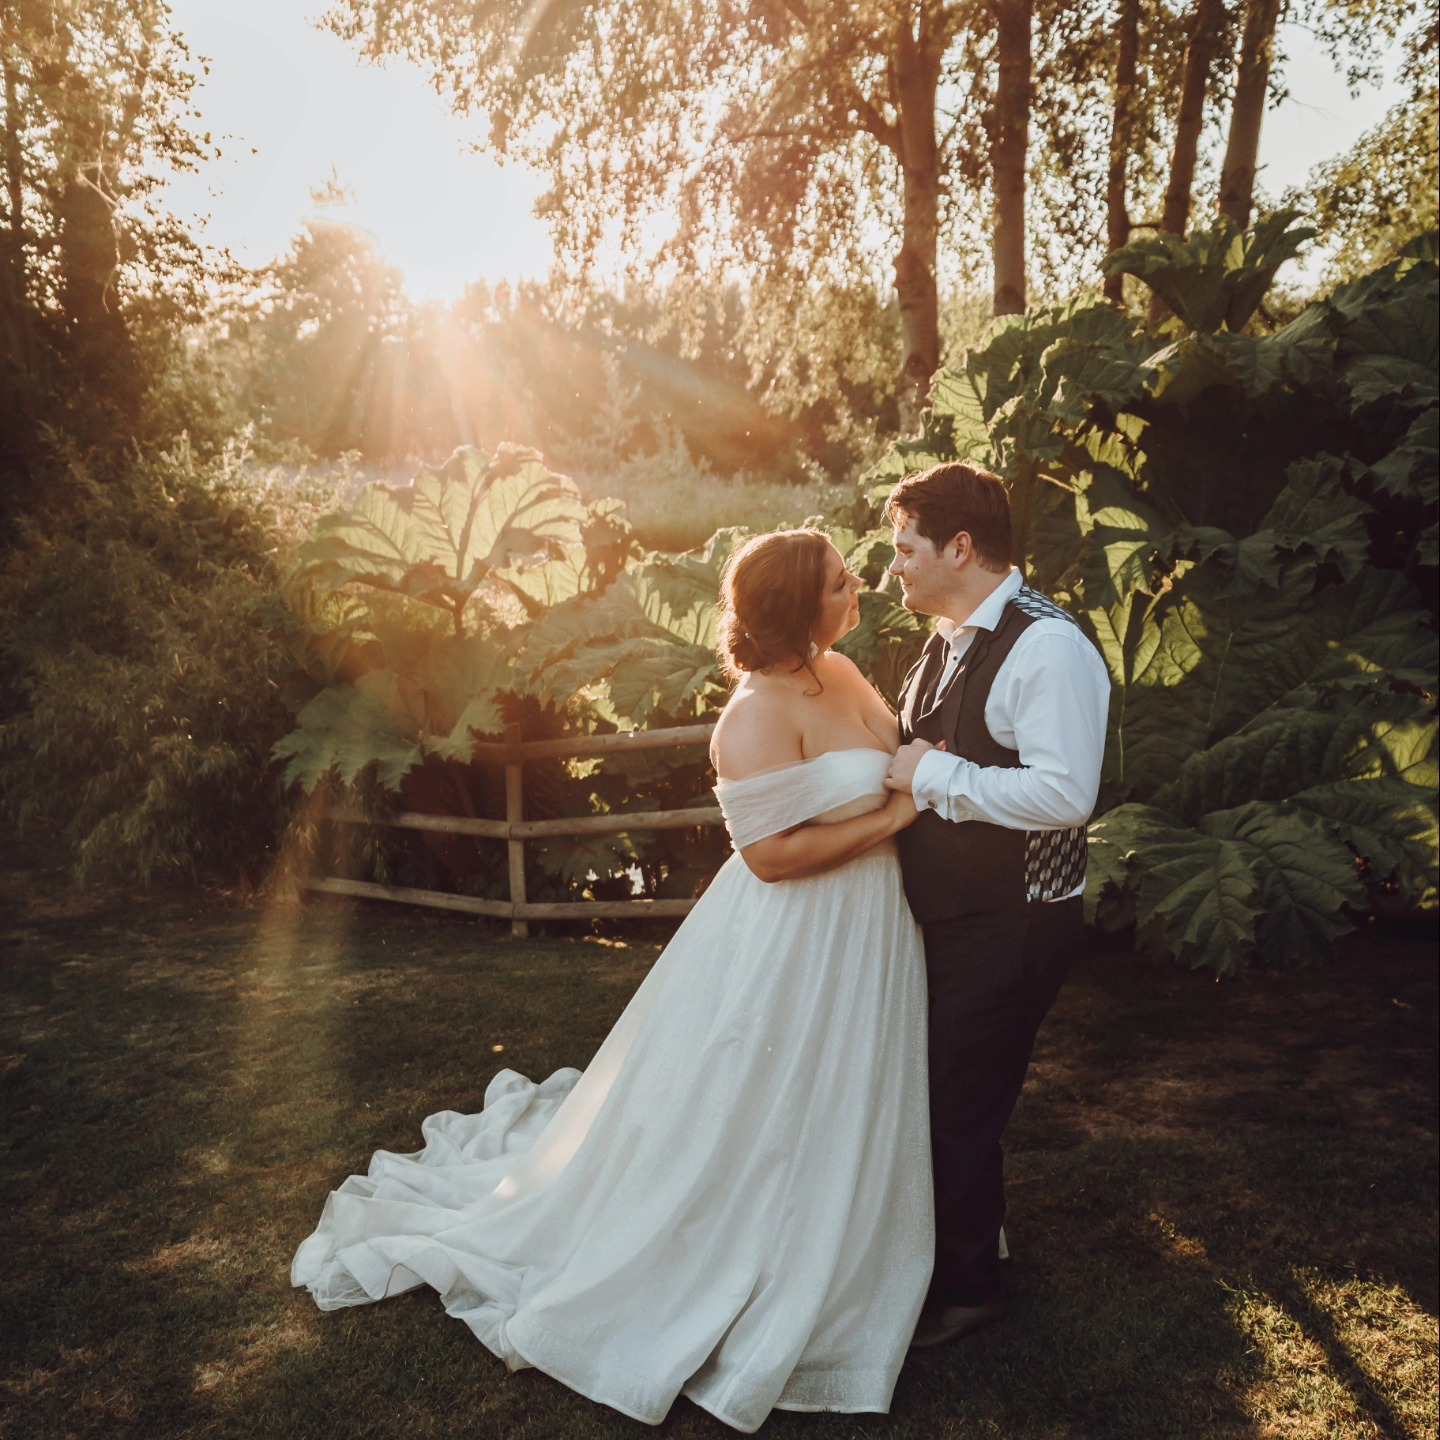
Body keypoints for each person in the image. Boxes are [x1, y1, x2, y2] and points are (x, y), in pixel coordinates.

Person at [292, 528, 934, 1434]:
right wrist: (899, 812)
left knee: (853, 1088)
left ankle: (869, 1238)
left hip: (872, 929)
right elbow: (770, 859)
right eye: (838, 579)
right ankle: (759, 1254)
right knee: (771, 1099)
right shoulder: (750, 718)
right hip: (799, 933)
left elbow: (894, 755)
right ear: (799, 607)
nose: (856, 582)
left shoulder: (846, 673)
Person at [882, 462, 1110, 1349]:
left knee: (955, 1102)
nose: (893, 569)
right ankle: (957, 1256)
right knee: (943, 1094)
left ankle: (973, 1289)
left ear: (961, 547)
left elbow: (1064, 795)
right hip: (954, 915)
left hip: (1015, 920)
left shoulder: (1048, 647)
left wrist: (933, 775)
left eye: (905, 550)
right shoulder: (948, 634)